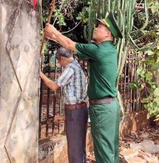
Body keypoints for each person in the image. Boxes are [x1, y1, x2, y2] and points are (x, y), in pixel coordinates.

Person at [44, 13, 122, 163]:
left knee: (104, 153)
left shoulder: (99, 50)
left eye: (100, 26)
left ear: (108, 33)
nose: (96, 28)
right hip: (110, 106)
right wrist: (53, 36)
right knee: (111, 150)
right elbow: (73, 46)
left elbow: (69, 45)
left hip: (102, 108)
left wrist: (54, 30)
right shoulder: (108, 49)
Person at [39, 47, 88, 163]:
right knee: (79, 146)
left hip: (75, 111)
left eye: (59, 62)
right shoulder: (78, 66)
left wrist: (40, 74)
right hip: (80, 109)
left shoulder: (70, 68)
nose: (60, 65)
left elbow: (54, 86)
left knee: (75, 147)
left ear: (62, 58)